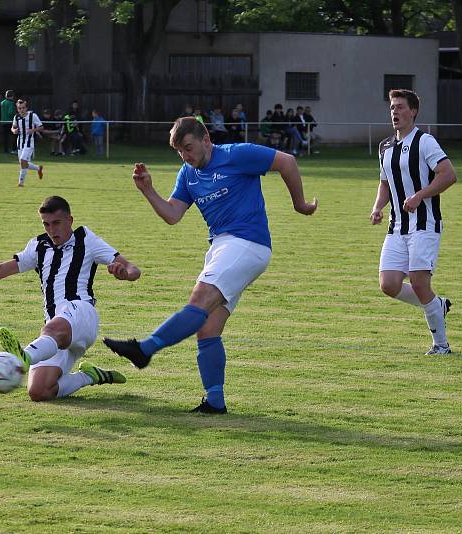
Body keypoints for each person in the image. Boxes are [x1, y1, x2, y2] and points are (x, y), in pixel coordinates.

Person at [103, 117, 318, 414]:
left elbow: (287, 162)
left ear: (205, 138)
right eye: (180, 152)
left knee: (199, 301)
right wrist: (147, 190)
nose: (186, 156)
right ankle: (214, 400)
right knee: (207, 327)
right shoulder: (188, 173)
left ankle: (145, 350)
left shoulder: (236, 154)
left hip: (247, 243)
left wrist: (300, 204)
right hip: (222, 247)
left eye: (189, 148)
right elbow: (173, 214)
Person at [0, 195, 141, 402]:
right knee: (39, 392)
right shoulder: (38, 246)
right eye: (46, 224)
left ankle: (23, 358)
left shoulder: (86, 239)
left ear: (70, 221)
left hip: (81, 313)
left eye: (57, 223)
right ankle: (90, 376)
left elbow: (133, 269)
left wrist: (124, 273)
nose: (52, 230)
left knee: (51, 330)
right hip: (55, 333)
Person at [370, 89, 457, 355]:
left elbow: (448, 175)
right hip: (397, 227)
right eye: (392, 108)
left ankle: (441, 345)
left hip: (424, 225)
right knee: (389, 285)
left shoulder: (425, 142)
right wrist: (377, 208)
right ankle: (436, 305)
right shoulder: (385, 147)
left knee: (420, 284)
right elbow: (385, 183)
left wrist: (420, 195)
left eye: (400, 107)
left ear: (413, 111)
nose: (395, 112)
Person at [11, 99, 44, 187]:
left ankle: (21, 183)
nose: (22, 110)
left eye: (23, 108)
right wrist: (14, 130)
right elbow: (13, 127)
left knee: (23, 160)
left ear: (26, 108)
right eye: (20, 108)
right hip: (20, 142)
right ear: (17, 109)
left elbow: (41, 127)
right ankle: (38, 168)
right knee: (23, 163)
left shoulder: (32, 116)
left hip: (29, 143)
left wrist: (33, 130)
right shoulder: (16, 117)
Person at [0, 90, 16, 154]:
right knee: (15, 135)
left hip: (3, 122)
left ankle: (5, 150)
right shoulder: (11, 103)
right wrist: (16, 116)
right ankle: (14, 150)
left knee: (5, 137)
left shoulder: (2, 102)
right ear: (12, 96)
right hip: (10, 122)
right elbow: (10, 113)